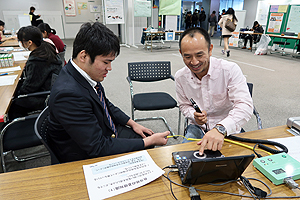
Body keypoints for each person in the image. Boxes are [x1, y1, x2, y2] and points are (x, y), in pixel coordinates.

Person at [47, 22, 169, 163]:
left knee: (144, 137)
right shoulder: (68, 94)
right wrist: (146, 143)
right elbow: (97, 147)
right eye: (106, 62)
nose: (109, 68)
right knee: (146, 145)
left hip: (101, 129)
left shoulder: (83, 73)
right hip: (83, 155)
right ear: (84, 56)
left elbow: (105, 104)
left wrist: (132, 123)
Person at [175, 27, 253, 155]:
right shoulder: (180, 77)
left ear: (210, 49)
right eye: (187, 57)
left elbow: (245, 106)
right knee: (186, 161)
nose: (194, 62)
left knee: (242, 165)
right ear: (181, 53)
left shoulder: (229, 70)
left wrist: (220, 128)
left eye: (200, 55)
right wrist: (193, 115)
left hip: (228, 128)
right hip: (197, 127)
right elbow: (184, 105)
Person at [8, 26, 62, 120]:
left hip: (42, 96)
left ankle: (16, 128)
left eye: (21, 41)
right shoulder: (46, 47)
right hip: (50, 91)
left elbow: (30, 87)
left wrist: (15, 93)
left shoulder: (37, 60)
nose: (21, 43)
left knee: (14, 103)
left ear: (29, 42)